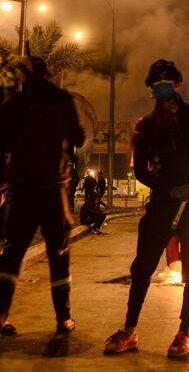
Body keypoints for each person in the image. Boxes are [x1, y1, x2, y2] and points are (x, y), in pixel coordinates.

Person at [103, 59, 189, 359]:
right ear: (152, 89)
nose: (161, 85)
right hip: (164, 202)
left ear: (176, 83)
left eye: (166, 80)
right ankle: (129, 330)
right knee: (142, 267)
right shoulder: (146, 126)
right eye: (155, 82)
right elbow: (142, 173)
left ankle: (183, 332)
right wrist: (169, 189)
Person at [0, 57, 85, 355]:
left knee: (11, 256)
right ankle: (63, 320)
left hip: (22, 191)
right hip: (53, 191)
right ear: (48, 74)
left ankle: (1, 315)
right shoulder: (63, 100)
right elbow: (79, 137)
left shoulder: (15, 104)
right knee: (59, 257)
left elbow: (3, 141)